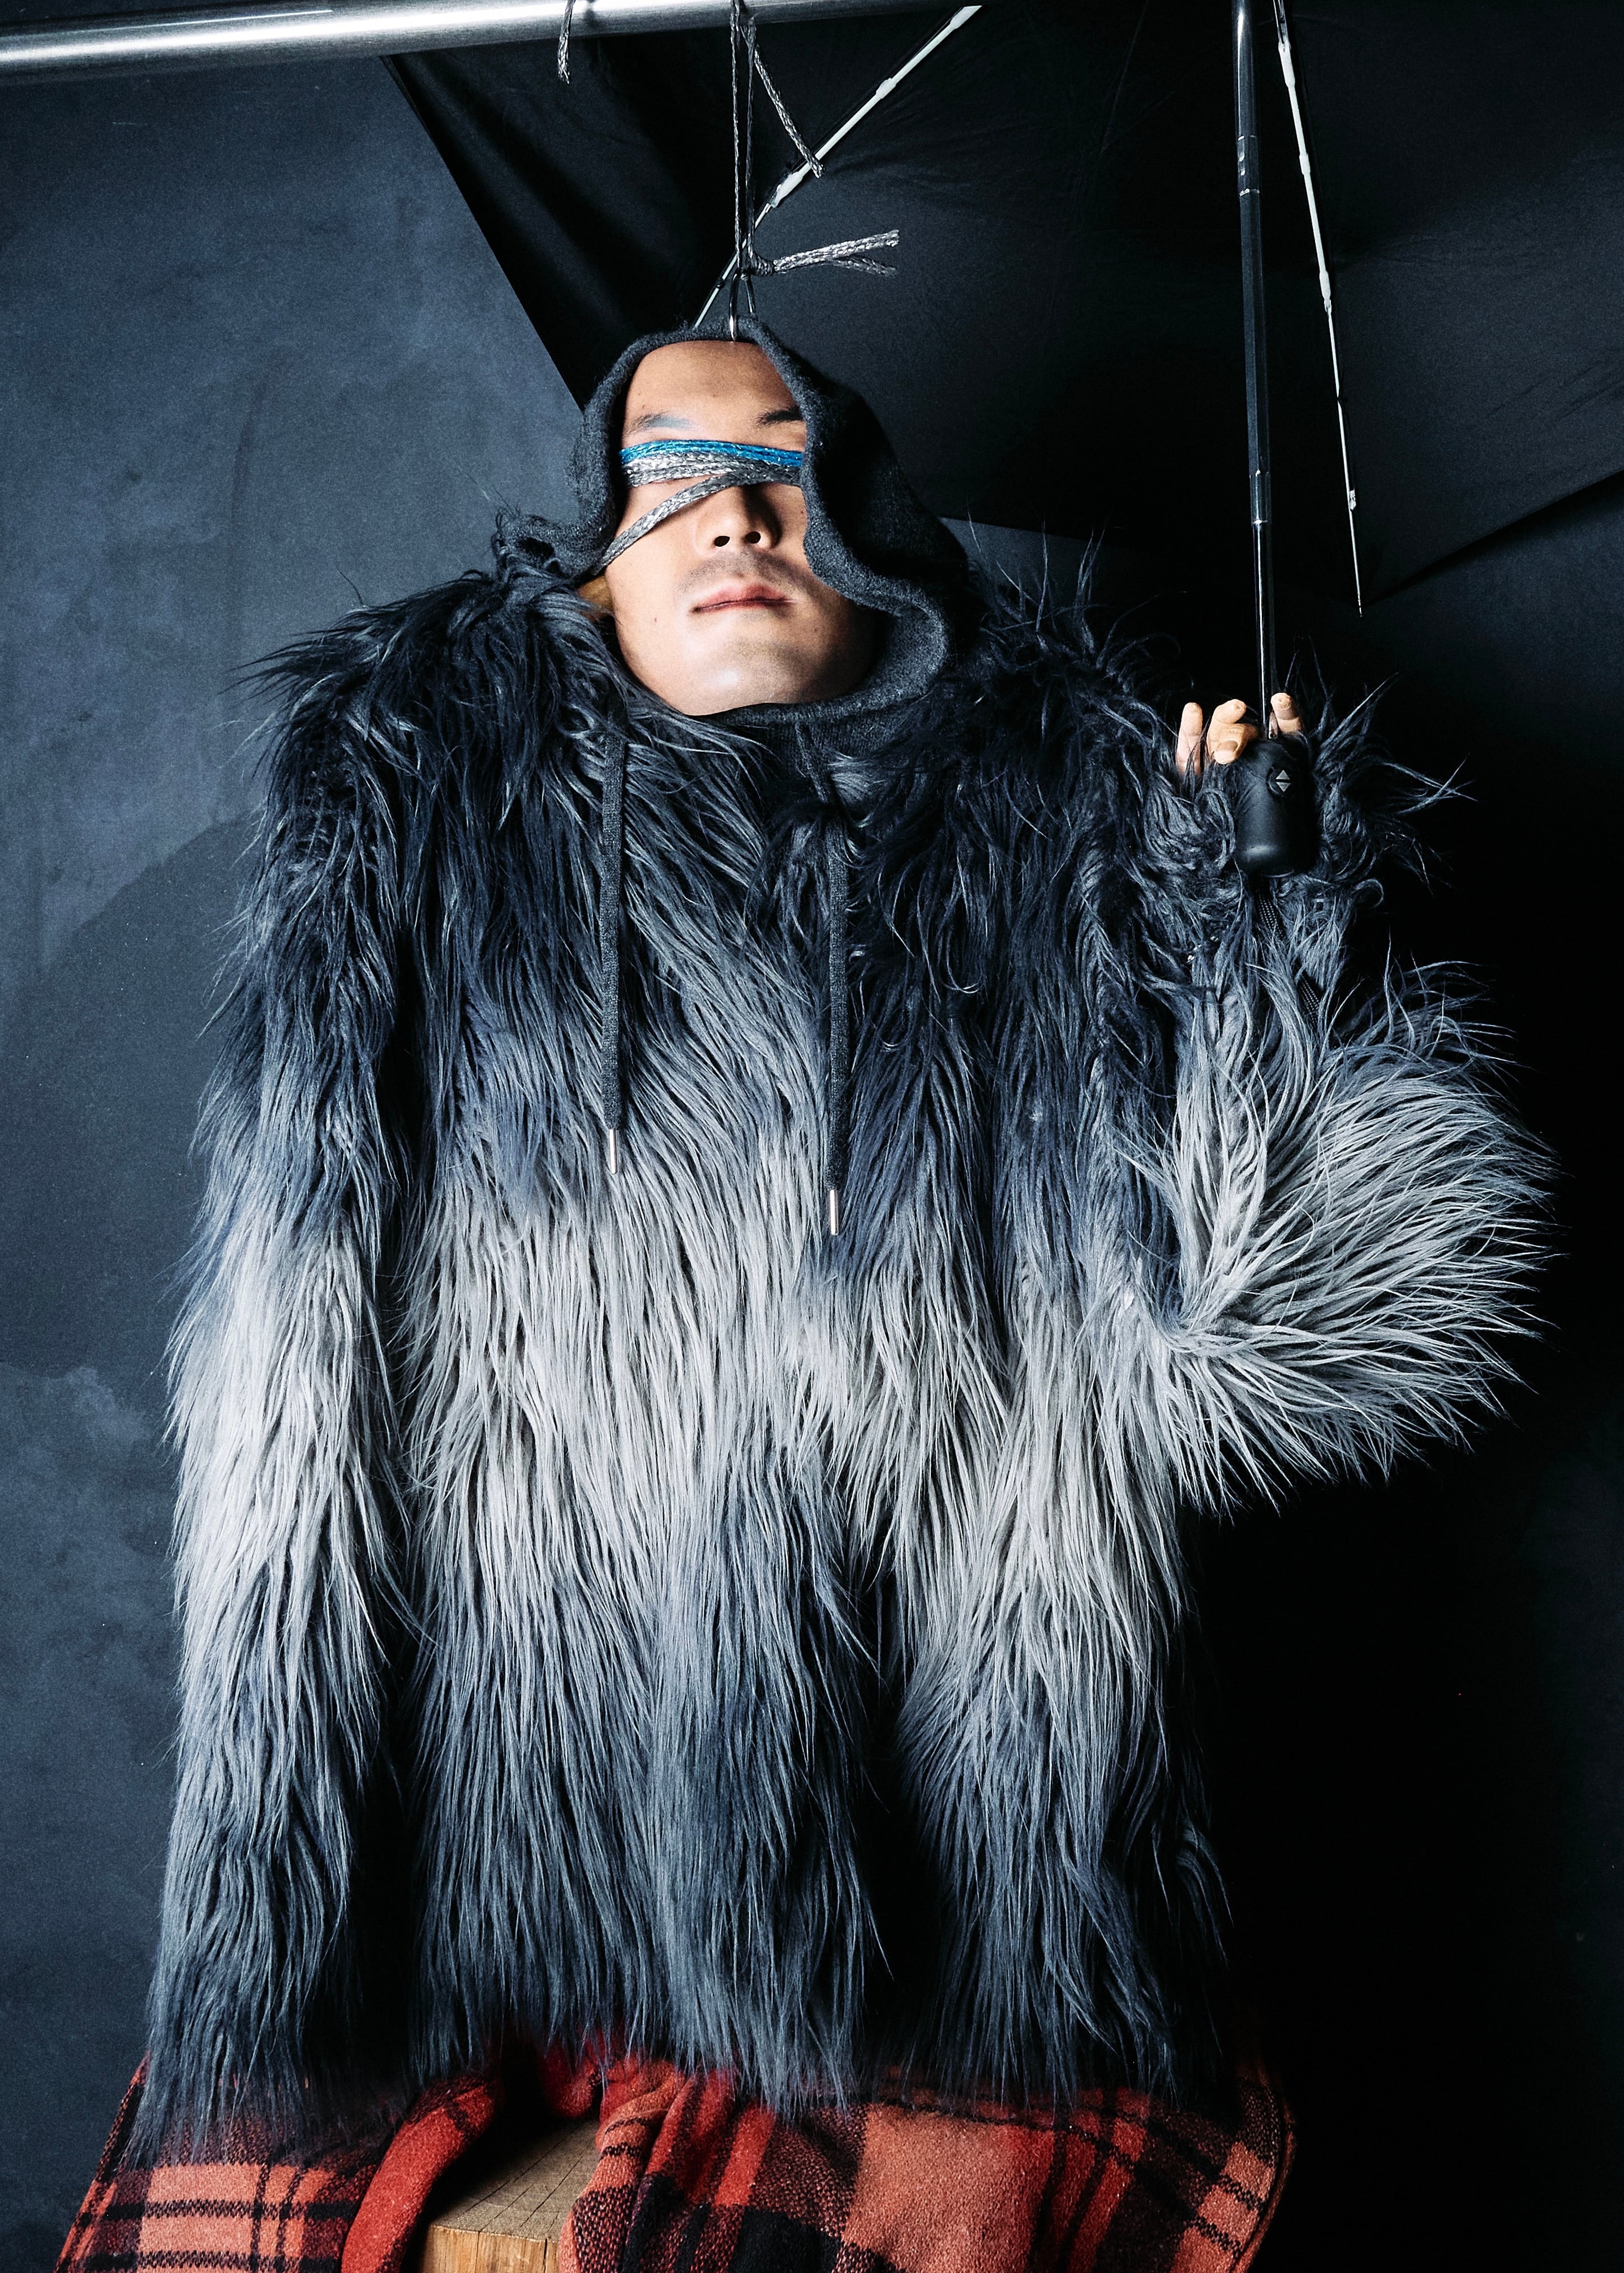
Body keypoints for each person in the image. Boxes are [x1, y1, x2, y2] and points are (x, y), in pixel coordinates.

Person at [65, 323, 1541, 2267]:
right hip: (483, 1925)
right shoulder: (414, 816)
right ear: (591, 553)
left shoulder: (1074, 847)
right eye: (667, 472)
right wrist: (297, 1887)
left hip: (956, 1930)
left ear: (879, 536)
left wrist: (1263, 926)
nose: (737, 514)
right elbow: (292, 1382)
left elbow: (1294, 1367)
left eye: (787, 462)